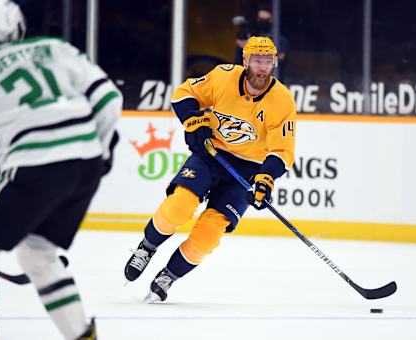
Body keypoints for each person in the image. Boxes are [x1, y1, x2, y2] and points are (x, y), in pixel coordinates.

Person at [0, 0, 122, 339]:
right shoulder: (54, 48)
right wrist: (100, 151)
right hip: (84, 164)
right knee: (38, 255)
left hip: (33, 164)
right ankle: (81, 335)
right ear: (17, 27)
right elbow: (108, 98)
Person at [124, 36, 296, 303]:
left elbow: (281, 151)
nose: (262, 68)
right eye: (257, 61)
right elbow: (183, 94)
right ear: (245, 61)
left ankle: (168, 276)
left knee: (209, 232)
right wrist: (194, 122)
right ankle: (146, 248)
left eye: (268, 62)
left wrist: (265, 181)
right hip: (211, 154)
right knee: (179, 205)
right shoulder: (223, 76)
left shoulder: (282, 100)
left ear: (274, 63)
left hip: (246, 171)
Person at [233, 5, 290, 81]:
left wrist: (255, 49)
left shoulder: (280, 40)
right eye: (260, 19)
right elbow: (239, 61)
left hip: (274, 82)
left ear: (272, 20)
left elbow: (280, 59)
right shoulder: (252, 37)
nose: (263, 22)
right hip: (251, 83)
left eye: (266, 20)